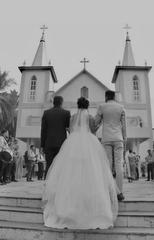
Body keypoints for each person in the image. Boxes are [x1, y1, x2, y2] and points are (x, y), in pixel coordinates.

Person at [43, 97, 118, 229]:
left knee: (72, 171)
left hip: (73, 143)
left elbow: (70, 130)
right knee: (91, 171)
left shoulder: (72, 117)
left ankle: (67, 206)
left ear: (78, 105)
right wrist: (98, 124)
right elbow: (94, 129)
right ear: (87, 106)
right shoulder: (89, 117)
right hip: (89, 144)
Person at [95, 90, 126, 201]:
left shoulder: (102, 107)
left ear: (106, 96)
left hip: (107, 138)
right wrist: (124, 138)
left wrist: (93, 129)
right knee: (119, 165)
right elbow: (124, 126)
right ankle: (120, 192)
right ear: (114, 97)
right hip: (118, 138)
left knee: (108, 165)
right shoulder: (121, 107)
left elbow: (96, 122)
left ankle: (110, 191)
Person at [41, 96, 71, 178]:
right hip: (61, 143)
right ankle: (57, 183)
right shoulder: (66, 113)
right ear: (61, 102)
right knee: (60, 165)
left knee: (49, 165)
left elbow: (43, 130)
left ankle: (47, 183)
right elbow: (69, 128)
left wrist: (42, 145)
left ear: (53, 102)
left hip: (48, 143)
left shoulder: (46, 113)